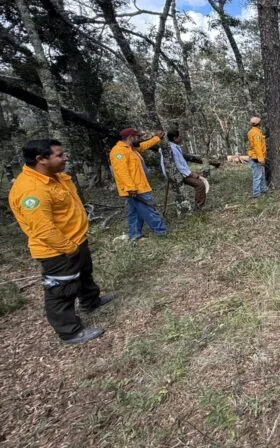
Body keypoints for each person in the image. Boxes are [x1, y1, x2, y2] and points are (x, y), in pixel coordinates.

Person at [9, 140, 112, 344]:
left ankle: (90, 301)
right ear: (41, 159)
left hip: (76, 240)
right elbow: (43, 229)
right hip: (58, 250)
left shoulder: (54, 176)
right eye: (59, 155)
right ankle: (69, 332)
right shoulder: (31, 190)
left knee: (84, 275)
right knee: (61, 291)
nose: (65, 157)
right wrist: (70, 248)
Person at [110, 128, 167, 240]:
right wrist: (130, 188)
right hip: (135, 189)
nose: (139, 139)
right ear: (130, 137)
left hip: (138, 187)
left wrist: (157, 138)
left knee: (135, 212)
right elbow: (121, 171)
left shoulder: (131, 149)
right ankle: (161, 231)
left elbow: (144, 145)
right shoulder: (118, 151)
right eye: (138, 137)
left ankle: (134, 235)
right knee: (149, 209)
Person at [160, 129, 206, 210]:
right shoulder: (171, 149)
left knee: (200, 183)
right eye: (180, 136)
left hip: (179, 173)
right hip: (177, 174)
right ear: (175, 138)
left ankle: (199, 205)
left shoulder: (173, 147)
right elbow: (178, 165)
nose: (181, 138)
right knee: (200, 184)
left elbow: (180, 163)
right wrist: (191, 174)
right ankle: (199, 207)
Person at [247, 117, 268, 198]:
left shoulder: (252, 131)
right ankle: (256, 194)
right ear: (259, 123)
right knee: (258, 176)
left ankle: (263, 189)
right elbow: (257, 147)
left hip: (255, 156)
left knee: (262, 174)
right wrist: (261, 159)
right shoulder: (256, 133)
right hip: (256, 157)